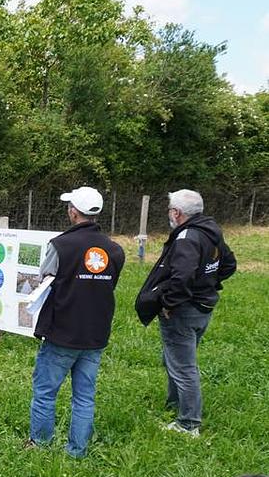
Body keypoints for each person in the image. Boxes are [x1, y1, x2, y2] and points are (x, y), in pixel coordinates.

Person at [26, 187, 124, 457]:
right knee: (84, 396)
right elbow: (110, 284)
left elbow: (45, 278)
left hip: (62, 331)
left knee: (45, 391)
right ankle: (77, 450)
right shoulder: (115, 250)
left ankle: (40, 444)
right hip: (95, 333)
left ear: (73, 212)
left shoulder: (61, 245)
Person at [135, 189, 237, 437]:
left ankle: (189, 424)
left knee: (183, 367)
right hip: (203, 307)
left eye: (170, 209)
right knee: (175, 359)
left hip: (183, 311)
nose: (169, 213)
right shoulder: (211, 231)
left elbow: (182, 277)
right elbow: (228, 264)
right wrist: (208, 284)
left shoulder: (187, 238)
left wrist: (169, 304)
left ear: (177, 213)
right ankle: (175, 404)